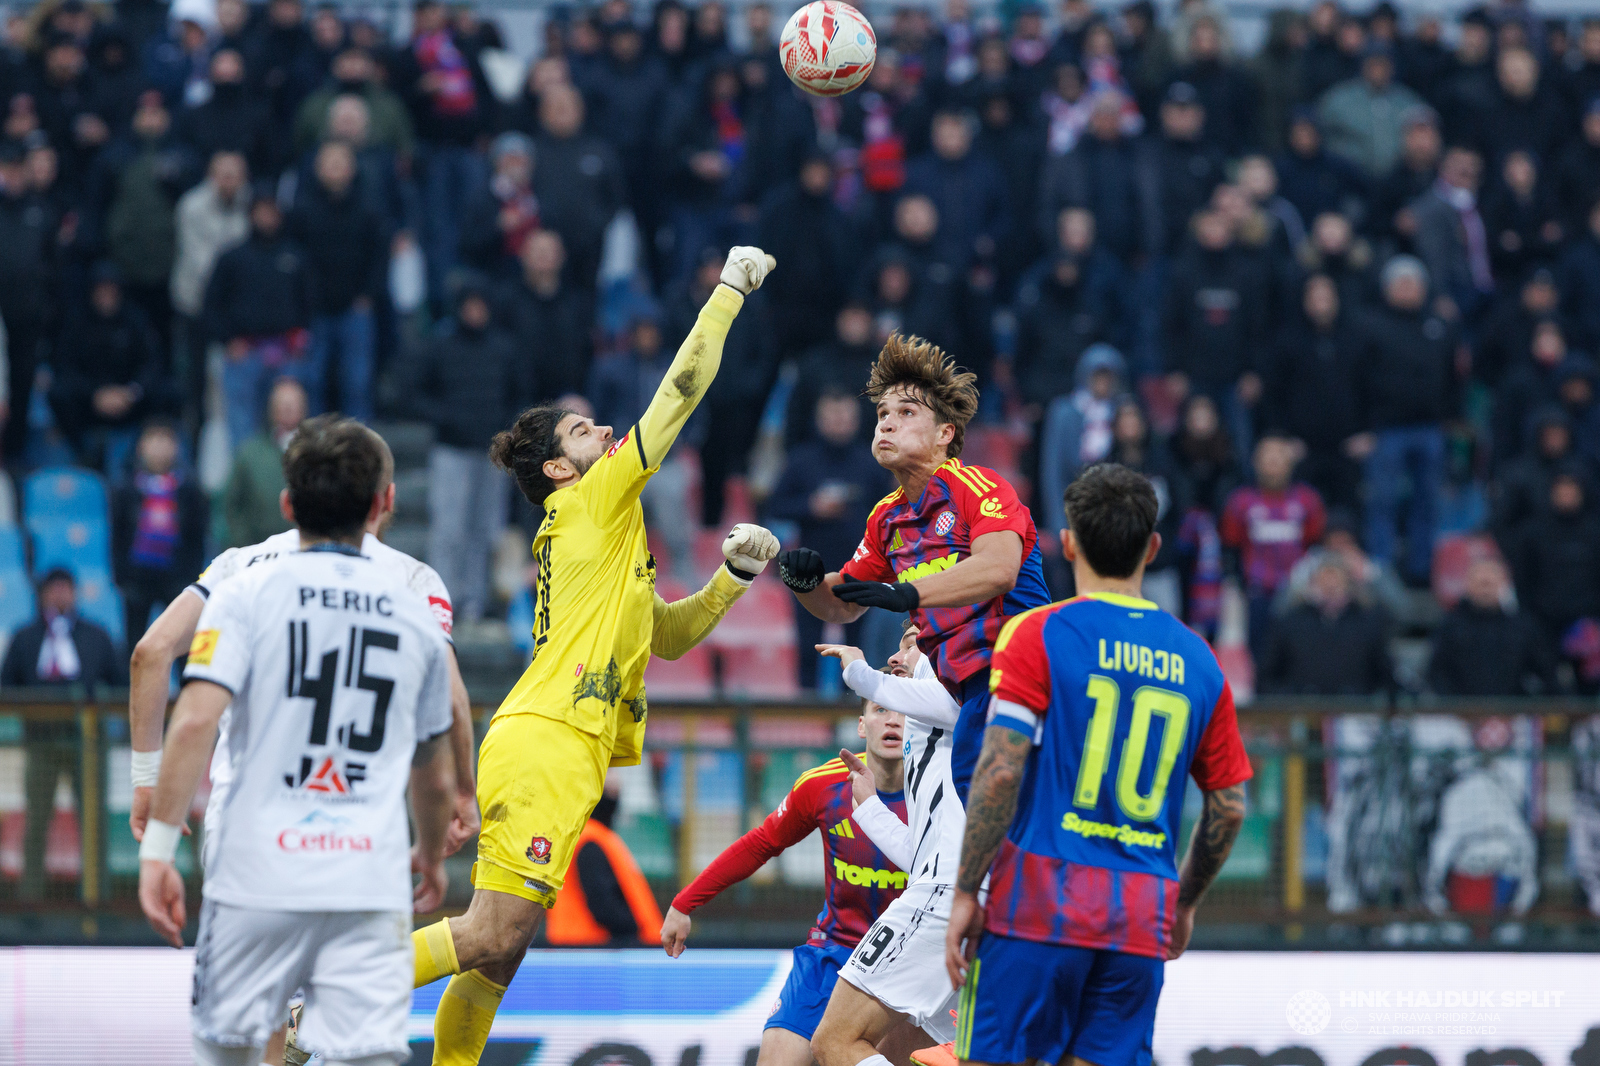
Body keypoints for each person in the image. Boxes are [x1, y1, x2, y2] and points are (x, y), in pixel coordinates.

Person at [407, 247, 780, 1066]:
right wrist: (725, 294)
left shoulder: (606, 537)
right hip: (545, 742)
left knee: (501, 954)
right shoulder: (589, 502)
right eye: (584, 431)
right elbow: (678, 397)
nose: (606, 433)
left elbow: (667, 636)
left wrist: (730, 579)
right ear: (557, 468)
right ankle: (335, 987)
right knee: (491, 932)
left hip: (559, 745)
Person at [128, 420, 481, 1066]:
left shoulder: (240, 582)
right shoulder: (413, 598)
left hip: (251, 863)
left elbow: (177, 693)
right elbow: (439, 744)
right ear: (385, 503)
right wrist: (434, 848)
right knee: (366, 1056)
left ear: (288, 506)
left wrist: (156, 841)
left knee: (231, 1051)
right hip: (364, 872)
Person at [944, 462, 1251, 1065]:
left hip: (1036, 903)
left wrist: (963, 890)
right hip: (1140, 914)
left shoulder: (1036, 634)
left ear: (1067, 543)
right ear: (1153, 548)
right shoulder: (1199, 659)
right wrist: (1183, 902)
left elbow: (1001, 770)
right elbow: (1229, 805)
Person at [778, 335, 1050, 807]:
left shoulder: (978, 485)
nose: (887, 423)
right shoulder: (887, 517)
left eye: (906, 413)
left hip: (1018, 672)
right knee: (985, 829)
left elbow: (1000, 569)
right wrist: (805, 585)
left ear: (945, 433)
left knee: (993, 825)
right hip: (966, 694)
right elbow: (842, 604)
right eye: (883, 413)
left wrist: (910, 594)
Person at [661, 695, 915, 1065]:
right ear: (862, 725)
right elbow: (761, 843)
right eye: (880, 711)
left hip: (904, 962)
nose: (892, 721)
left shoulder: (941, 793)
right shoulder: (822, 786)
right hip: (832, 952)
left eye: (905, 713)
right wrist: (686, 902)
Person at [809, 622, 968, 1065]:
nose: (897, 658)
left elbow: (935, 872)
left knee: (835, 1040)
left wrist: (858, 669)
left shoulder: (957, 692)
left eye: (913, 645)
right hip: (965, 893)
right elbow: (925, 859)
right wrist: (872, 809)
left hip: (947, 897)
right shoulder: (930, 731)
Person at [400, 282, 527, 624]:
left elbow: (520, 396)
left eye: (480, 305)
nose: (475, 312)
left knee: (485, 530)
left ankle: (474, 600)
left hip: (493, 455)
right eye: (469, 306)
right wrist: (448, 419)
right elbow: (412, 394)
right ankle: (441, 598)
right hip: (451, 451)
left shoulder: (503, 349)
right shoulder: (440, 347)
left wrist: (506, 429)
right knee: (448, 529)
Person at [1, 568, 125, 900]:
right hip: (39, 742)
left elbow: (120, 685)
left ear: (74, 593)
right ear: (41, 595)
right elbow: (6, 686)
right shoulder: (24, 637)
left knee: (93, 821)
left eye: (65, 589)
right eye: (52, 590)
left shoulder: (96, 635)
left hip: (87, 741)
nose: (59, 595)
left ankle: (97, 899)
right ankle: (31, 902)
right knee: (37, 821)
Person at [767, 391, 894, 689]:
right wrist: (810, 507)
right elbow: (775, 505)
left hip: (861, 568)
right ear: (819, 420)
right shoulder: (801, 459)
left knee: (858, 648)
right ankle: (806, 719)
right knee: (809, 644)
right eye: (832, 416)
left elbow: (891, 510)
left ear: (856, 420)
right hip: (809, 569)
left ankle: (852, 718)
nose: (838, 423)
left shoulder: (872, 461)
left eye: (845, 416)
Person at [204, 185, 317, 451]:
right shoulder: (232, 257)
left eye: (272, 211)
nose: (267, 217)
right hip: (244, 355)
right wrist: (228, 340)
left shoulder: (295, 256)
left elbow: (310, 302)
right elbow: (211, 306)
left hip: (286, 354)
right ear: (250, 214)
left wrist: (300, 338)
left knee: (290, 425)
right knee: (242, 427)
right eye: (261, 211)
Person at [286, 140, 385, 423]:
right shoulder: (302, 210)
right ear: (317, 168)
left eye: (340, 162)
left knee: (357, 382)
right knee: (312, 381)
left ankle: (360, 449)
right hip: (314, 310)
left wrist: (368, 295)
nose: (334, 168)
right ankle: (315, 448)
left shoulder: (369, 209)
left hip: (355, 308)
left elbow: (379, 256)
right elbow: (295, 259)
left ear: (352, 168)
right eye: (328, 162)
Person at [1220, 434, 1327, 663]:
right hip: (1257, 594)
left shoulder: (1307, 500)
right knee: (1260, 657)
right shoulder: (1241, 501)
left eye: (1279, 456)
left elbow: (1315, 544)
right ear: (1256, 462)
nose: (1273, 463)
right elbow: (1231, 544)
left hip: (1298, 595)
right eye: (1267, 457)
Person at [112, 421, 207, 648]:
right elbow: (118, 536)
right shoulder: (126, 488)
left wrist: (191, 578)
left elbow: (197, 537)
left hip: (177, 579)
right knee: (134, 645)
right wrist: (122, 578)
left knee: (182, 645)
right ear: (140, 447)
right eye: (152, 440)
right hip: (137, 580)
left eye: (165, 441)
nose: (159, 448)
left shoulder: (190, 490)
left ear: (175, 448)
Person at [546, 779, 664, 946]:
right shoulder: (590, 841)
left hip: (581, 948)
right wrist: (635, 932)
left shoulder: (590, 837)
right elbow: (603, 905)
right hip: (591, 950)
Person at [1430, 557, 1555, 697]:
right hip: (1459, 713)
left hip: (1515, 713)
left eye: (1490, 583)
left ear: (1505, 584)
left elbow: (1543, 674)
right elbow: (1438, 674)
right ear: (1467, 584)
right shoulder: (1450, 626)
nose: (1485, 589)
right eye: (1480, 583)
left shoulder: (1523, 626)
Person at [223, 378, 307, 548]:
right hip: (258, 551)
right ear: (272, 409)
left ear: (304, 408)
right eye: (282, 403)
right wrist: (244, 544)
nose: (288, 408)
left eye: (293, 403)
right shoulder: (250, 453)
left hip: (306, 549)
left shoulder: (316, 451)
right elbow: (231, 505)